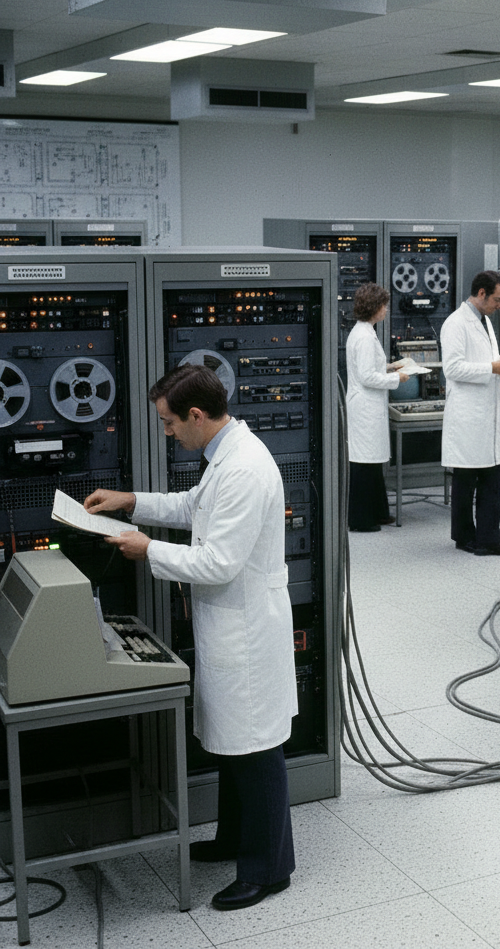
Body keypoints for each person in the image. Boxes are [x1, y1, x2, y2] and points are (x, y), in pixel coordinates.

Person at [84, 363, 297, 911]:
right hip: (231, 625)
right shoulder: (226, 457)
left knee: (254, 749)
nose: (167, 432)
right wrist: (131, 500)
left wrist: (147, 549)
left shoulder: (245, 468)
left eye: (169, 422)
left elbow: (219, 561)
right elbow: (193, 508)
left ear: (196, 415)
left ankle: (269, 869)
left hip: (246, 630)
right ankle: (234, 841)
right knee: (233, 745)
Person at [440, 269, 500, 556]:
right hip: (468, 415)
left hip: (486, 414)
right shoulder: (455, 323)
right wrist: (491, 367)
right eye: (497, 300)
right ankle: (464, 537)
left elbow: (483, 359)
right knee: (466, 481)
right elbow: (452, 368)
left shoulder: (484, 321)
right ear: (482, 293)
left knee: (490, 478)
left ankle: (489, 538)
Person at [346, 283, 409, 532]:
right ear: (374, 307)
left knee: (371, 463)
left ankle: (379, 512)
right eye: (383, 306)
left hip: (369, 407)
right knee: (363, 464)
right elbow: (366, 377)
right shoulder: (363, 337)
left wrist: (391, 367)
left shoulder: (366, 332)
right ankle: (361, 520)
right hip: (364, 409)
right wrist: (398, 379)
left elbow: (370, 369)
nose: (386, 310)